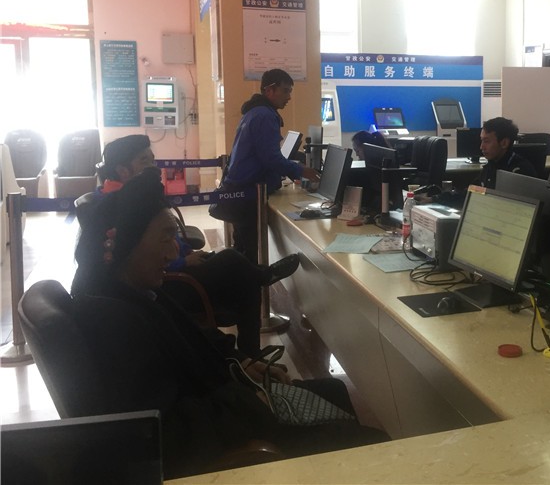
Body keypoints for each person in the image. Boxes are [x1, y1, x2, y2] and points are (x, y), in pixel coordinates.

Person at [70, 168, 389, 478]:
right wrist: (247, 401)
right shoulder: (115, 325)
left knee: (334, 389)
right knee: (376, 445)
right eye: (166, 237)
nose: (174, 251)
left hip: (225, 407)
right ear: (125, 243)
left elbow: (195, 338)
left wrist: (242, 361)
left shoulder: (138, 292)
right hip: (231, 442)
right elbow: (164, 432)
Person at [86, 134, 300, 356]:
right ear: (123, 170)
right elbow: (138, 258)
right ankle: (259, 299)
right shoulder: (118, 208)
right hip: (171, 283)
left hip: (173, 273)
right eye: (144, 161)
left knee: (238, 271)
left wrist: (185, 253)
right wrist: (182, 261)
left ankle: (250, 347)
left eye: (152, 160)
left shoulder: (121, 197)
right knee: (234, 265)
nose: (153, 168)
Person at [222, 69, 320, 263]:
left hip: (240, 189)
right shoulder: (265, 116)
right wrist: (301, 171)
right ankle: (251, 282)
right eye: (285, 91)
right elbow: (271, 159)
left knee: (242, 248)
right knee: (248, 254)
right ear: (269, 90)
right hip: (248, 192)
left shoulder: (253, 112)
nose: (289, 97)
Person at [478, 116, 537, 188]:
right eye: (482, 140)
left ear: (504, 143)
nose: (481, 147)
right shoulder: (490, 166)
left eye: (486, 141)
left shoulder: (520, 172)